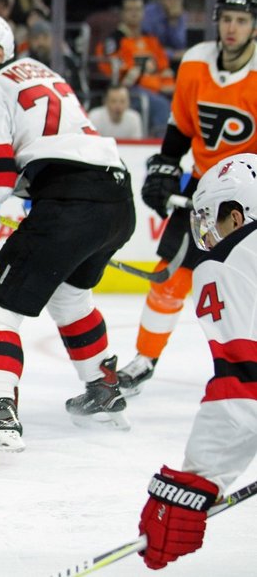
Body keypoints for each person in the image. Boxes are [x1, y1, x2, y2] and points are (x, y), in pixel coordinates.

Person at [0, 14, 136, 450]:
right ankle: (102, 391)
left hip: (71, 202)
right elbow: (38, 155)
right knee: (70, 296)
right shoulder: (41, 72)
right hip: (118, 197)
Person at [117, 0, 257, 395]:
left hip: (249, 192)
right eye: (227, 18)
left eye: (242, 20)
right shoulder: (195, 62)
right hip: (201, 188)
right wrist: (165, 166)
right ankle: (143, 361)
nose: (232, 28)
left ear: (254, 27)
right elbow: (181, 125)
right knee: (170, 278)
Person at [135, 152, 257, 571]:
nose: (208, 236)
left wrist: (197, 481)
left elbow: (245, 382)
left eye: (213, 222)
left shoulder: (236, 261)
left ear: (238, 217)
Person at [96, 0, 175, 137]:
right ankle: (161, 146)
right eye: (130, 10)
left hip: (159, 90)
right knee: (162, 106)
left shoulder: (151, 39)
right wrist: (142, 74)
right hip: (130, 92)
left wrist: (168, 85)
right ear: (122, 13)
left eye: (138, 9)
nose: (134, 14)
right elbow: (115, 74)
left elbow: (164, 68)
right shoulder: (114, 41)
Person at [143, 0, 189, 66]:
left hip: (170, 61)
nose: (174, 1)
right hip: (150, 60)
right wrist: (172, 54)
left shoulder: (181, 15)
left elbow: (180, 45)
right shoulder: (149, 13)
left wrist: (173, 21)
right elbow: (149, 46)